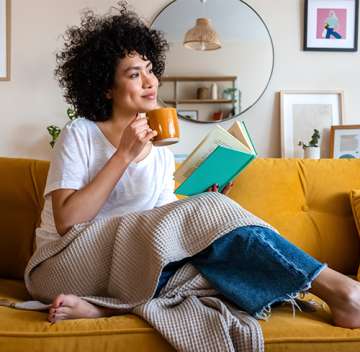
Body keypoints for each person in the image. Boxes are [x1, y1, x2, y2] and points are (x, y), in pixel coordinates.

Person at [34, 3, 360, 328]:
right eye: (135, 74)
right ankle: (341, 290)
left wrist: (209, 207)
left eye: (150, 69)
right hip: (64, 263)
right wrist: (123, 156)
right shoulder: (81, 133)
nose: (150, 82)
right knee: (212, 239)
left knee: (217, 264)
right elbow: (68, 221)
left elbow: (160, 232)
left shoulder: (159, 149)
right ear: (106, 87)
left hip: (126, 266)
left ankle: (107, 307)